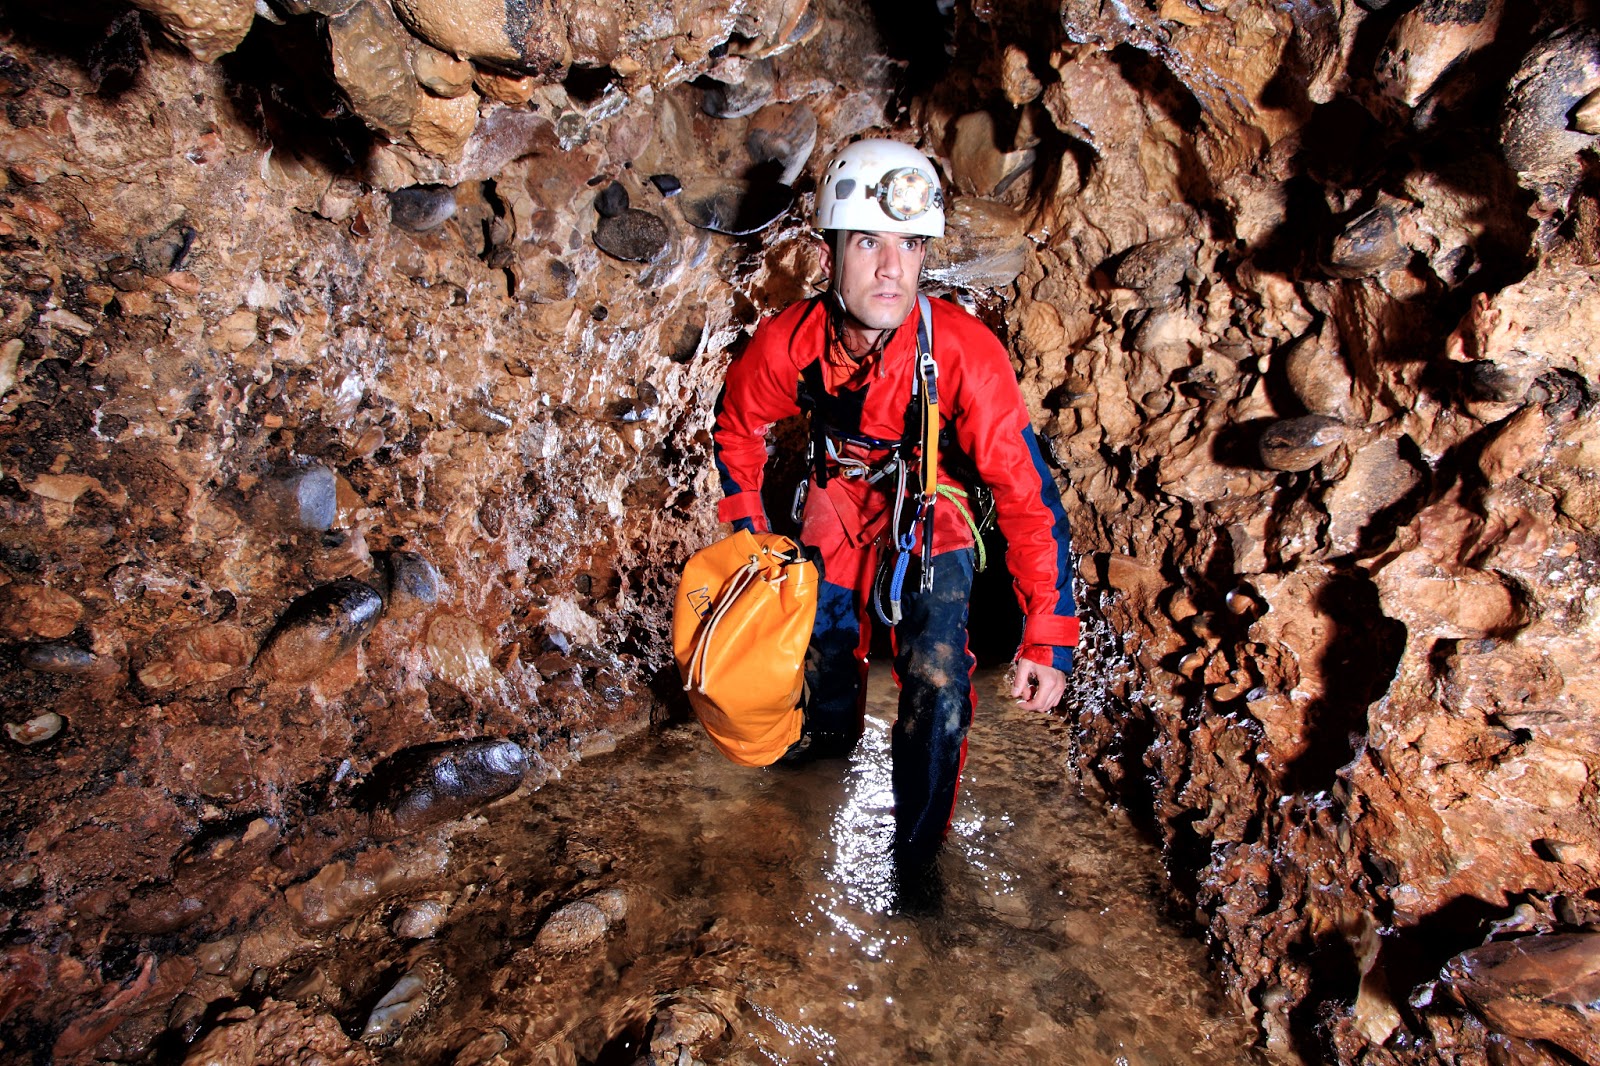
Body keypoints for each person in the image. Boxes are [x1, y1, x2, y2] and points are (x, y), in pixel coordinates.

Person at [710, 138, 1078, 882]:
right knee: (820, 651)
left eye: (910, 245)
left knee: (939, 674)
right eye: (869, 243)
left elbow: (1027, 497)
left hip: (928, 502)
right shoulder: (790, 342)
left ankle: (915, 864)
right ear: (828, 256)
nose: (890, 268)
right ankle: (817, 781)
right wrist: (750, 541)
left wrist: (1047, 635)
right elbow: (738, 432)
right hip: (838, 497)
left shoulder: (966, 353)